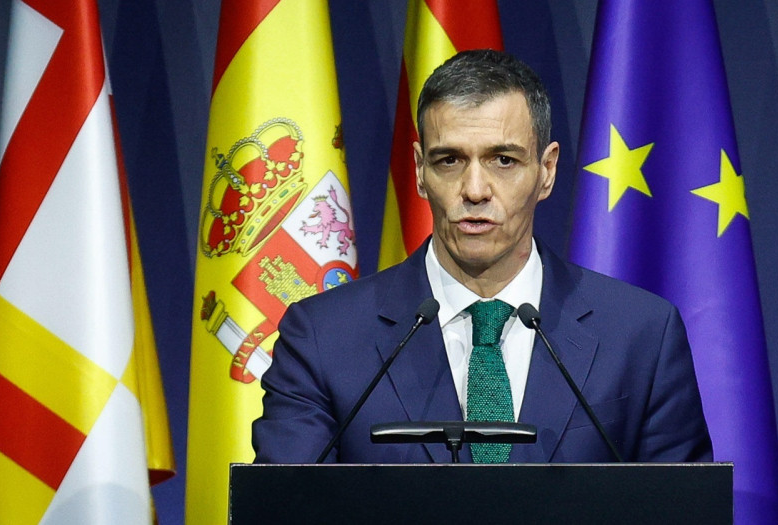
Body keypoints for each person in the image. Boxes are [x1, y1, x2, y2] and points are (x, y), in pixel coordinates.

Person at [253, 49, 711, 463]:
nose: (474, 190)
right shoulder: (322, 338)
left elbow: (678, 508)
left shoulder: (640, 335)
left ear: (546, 171)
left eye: (503, 160)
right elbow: (287, 510)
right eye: (449, 160)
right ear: (418, 172)